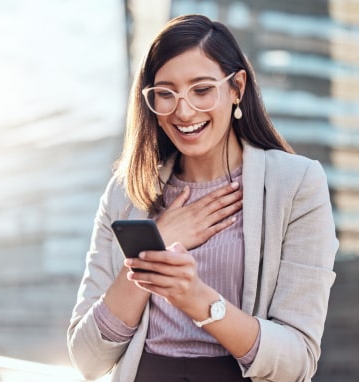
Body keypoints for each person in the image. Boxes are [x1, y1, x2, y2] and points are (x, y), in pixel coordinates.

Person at [67, 14, 338, 382]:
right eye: (165, 93)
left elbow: (297, 362)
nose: (183, 110)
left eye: (201, 89)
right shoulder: (126, 190)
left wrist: (196, 298)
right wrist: (153, 249)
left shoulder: (297, 184)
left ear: (236, 88)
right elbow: (87, 359)